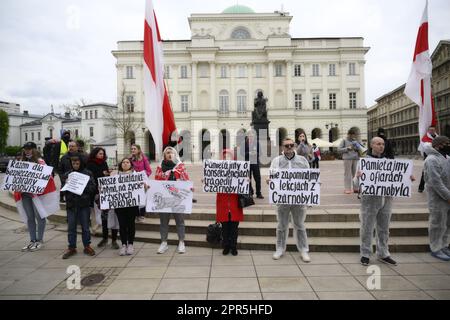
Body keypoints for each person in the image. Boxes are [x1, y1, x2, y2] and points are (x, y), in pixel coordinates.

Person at [354, 137, 415, 266]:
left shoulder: (389, 162)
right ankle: (365, 253)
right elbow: (355, 184)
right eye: (378, 144)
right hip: (370, 200)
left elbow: (398, 178)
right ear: (371, 145)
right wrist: (358, 178)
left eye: (382, 144)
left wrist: (408, 178)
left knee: (384, 228)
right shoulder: (364, 162)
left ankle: (383, 253)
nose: (381, 146)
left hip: (387, 199)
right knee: (367, 227)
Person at [268, 138, 311, 262]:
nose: (289, 147)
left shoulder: (302, 161)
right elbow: (273, 177)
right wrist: (270, 181)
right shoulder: (276, 161)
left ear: (295, 146)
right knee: (282, 225)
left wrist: (314, 184)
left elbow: (308, 177)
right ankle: (280, 248)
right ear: (282, 147)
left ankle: (304, 250)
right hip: (283, 199)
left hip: (299, 199)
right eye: (286, 145)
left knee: (300, 225)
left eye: (291, 145)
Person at [14, 142, 59, 252]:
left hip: (38, 195)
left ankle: (40, 240)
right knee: (30, 217)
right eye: (25, 149)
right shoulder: (21, 162)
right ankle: (32, 240)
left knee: (40, 216)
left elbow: (47, 177)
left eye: (29, 149)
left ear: (34, 150)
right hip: (25, 194)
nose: (27, 151)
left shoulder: (40, 162)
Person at [155, 146, 190, 254]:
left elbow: (186, 180)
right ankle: (164, 243)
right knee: (164, 222)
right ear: (164, 155)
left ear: (175, 154)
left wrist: (189, 188)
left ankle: (181, 242)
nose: (170, 154)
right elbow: (156, 182)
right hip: (164, 200)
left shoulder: (180, 167)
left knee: (180, 221)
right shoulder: (160, 168)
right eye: (167, 153)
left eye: (172, 153)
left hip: (177, 199)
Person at [62, 156, 96, 259]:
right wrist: (67, 184)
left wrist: (81, 186)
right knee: (71, 227)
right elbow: (63, 189)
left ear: (81, 163)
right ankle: (71, 247)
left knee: (85, 227)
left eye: (77, 163)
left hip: (83, 204)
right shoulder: (68, 174)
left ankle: (87, 246)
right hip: (71, 205)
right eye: (73, 163)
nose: (75, 165)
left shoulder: (88, 173)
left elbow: (93, 188)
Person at [423, 136, 450, 261]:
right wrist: (448, 196)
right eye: (446, 143)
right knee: (437, 224)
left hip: (447, 198)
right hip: (437, 198)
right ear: (439, 145)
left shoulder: (446, 158)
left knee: (446, 224)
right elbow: (435, 181)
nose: (448, 145)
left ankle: (444, 245)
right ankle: (435, 248)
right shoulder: (431, 160)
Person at [86, 147, 119, 249]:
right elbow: (91, 178)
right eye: (100, 153)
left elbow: (106, 177)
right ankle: (105, 238)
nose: (101, 155)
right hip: (97, 193)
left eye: (103, 154)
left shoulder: (104, 163)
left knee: (113, 216)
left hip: (107, 192)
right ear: (95, 154)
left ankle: (114, 239)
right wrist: (102, 175)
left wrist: (107, 174)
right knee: (104, 217)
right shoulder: (90, 164)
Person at [216, 149, 243, 256]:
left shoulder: (239, 170)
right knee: (225, 227)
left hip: (234, 203)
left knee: (234, 228)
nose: (227, 158)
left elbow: (244, 187)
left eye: (229, 156)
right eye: (225, 156)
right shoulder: (217, 170)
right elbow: (212, 181)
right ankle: (226, 245)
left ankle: (233, 246)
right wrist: (207, 181)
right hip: (223, 203)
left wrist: (246, 181)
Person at [115, 158, 140, 256]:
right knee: (122, 225)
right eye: (123, 162)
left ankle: (130, 244)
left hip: (132, 205)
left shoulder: (136, 175)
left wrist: (144, 187)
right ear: (121, 164)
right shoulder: (116, 176)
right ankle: (123, 244)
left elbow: (141, 188)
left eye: (127, 162)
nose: (125, 164)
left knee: (131, 225)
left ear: (131, 164)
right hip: (120, 205)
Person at [130, 144, 152, 222]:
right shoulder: (130, 159)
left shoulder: (144, 159)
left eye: (134, 149)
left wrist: (143, 175)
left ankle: (142, 215)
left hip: (143, 181)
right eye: (132, 149)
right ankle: (136, 215)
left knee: (142, 198)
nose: (132, 150)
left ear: (138, 150)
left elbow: (149, 171)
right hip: (133, 182)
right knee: (135, 198)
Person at [338, 129, 362, 194]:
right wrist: (347, 148)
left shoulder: (356, 141)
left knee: (355, 174)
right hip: (347, 158)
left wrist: (358, 148)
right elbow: (339, 149)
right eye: (350, 134)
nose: (352, 136)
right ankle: (347, 188)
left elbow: (361, 149)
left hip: (356, 158)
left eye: (353, 135)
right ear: (348, 134)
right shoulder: (344, 141)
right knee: (347, 174)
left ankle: (356, 188)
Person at [419, 126, 439, 193]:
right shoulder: (425, 138)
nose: (432, 131)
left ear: (435, 130)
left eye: (433, 130)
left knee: (438, 172)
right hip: (428, 157)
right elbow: (426, 148)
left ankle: (436, 187)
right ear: (428, 131)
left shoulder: (438, 137)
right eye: (430, 130)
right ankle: (421, 187)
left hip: (437, 157)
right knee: (425, 172)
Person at [245, 131, 264, 199]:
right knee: (248, 179)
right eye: (249, 135)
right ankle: (250, 192)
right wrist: (249, 153)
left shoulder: (257, 143)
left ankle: (258, 193)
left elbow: (260, 153)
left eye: (252, 136)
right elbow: (241, 153)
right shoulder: (244, 143)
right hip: (247, 163)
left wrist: (255, 153)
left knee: (258, 178)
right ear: (247, 136)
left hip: (255, 163)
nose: (251, 137)